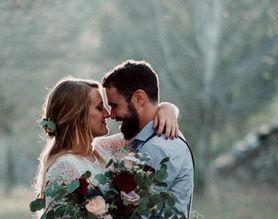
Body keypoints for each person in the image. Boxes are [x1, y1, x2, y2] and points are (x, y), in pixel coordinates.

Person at [34, 77, 180, 207]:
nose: (108, 114)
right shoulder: (64, 166)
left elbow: (146, 127)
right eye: (99, 108)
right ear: (79, 116)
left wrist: (167, 108)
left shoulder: (102, 148)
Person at [102, 60, 194, 219]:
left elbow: (130, 218)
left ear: (139, 98)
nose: (112, 115)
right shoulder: (149, 140)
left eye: (115, 106)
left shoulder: (158, 148)